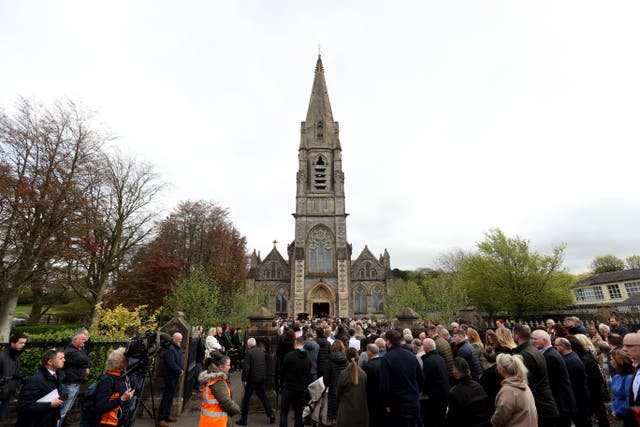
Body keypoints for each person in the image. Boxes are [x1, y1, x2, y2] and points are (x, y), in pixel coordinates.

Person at [512, 324, 558, 426]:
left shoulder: (525, 355)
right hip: (545, 402)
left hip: (541, 404)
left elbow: (523, 380)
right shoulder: (534, 350)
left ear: (516, 336)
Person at [531, 330, 576, 427]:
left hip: (560, 402)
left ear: (544, 340)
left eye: (535, 339)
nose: (533, 341)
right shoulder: (549, 353)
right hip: (559, 401)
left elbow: (551, 381)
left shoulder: (551, 356)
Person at [379, 329, 423, 426]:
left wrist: (386, 403)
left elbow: (384, 384)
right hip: (413, 401)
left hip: (398, 404)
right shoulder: (411, 355)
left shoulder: (387, 358)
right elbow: (421, 378)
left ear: (388, 342)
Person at [16, 348, 65, 427]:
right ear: (50, 362)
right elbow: (24, 406)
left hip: (51, 419)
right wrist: (50, 404)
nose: (64, 360)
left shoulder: (58, 375)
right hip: (37, 422)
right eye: (61, 358)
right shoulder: (35, 381)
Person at [491, 353, 537, 427]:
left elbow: (502, 415)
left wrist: (493, 421)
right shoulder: (523, 383)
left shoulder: (508, 390)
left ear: (501, 370)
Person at [236, 338, 275, 425]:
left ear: (249, 345)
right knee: (263, 397)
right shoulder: (261, 352)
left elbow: (246, 368)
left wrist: (244, 379)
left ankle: (243, 420)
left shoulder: (249, 353)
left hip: (252, 379)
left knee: (246, 399)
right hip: (261, 378)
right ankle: (271, 414)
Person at [93, 347, 135, 427]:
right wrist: (122, 399)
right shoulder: (108, 380)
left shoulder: (121, 377)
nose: (129, 362)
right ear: (121, 363)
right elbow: (100, 406)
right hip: (107, 423)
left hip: (118, 421)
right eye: (127, 360)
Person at [198, 351, 240, 427]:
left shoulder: (212, 376)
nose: (230, 367)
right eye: (228, 365)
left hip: (210, 421)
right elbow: (226, 403)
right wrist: (238, 409)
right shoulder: (218, 381)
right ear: (220, 366)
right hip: (217, 422)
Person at [555, 338, 590, 427]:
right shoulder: (571, 356)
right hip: (578, 396)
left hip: (578, 397)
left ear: (563, 346)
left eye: (556, 346)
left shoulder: (571, 361)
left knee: (582, 422)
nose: (555, 348)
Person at [446, 357, 491, 427]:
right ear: (469, 371)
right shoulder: (479, 386)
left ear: (455, 374)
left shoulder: (454, 393)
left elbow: (450, 420)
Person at [59, 329, 90, 426]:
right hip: (69, 385)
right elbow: (85, 359)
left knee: (66, 409)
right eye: (82, 339)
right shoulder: (71, 351)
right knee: (63, 410)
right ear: (75, 339)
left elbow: (86, 361)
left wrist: (87, 366)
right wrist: (87, 364)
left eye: (85, 340)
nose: (84, 342)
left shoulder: (81, 349)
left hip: (75, 384)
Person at [279, 336, 311, 427]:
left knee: (284, 412)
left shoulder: (289, 356)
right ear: (303, 345)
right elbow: (308, 373)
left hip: (289, 387)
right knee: (298, 413)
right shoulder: (308, 359)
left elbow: (283, 371)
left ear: (295, 344)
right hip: (301, 388)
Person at [420, 338, 449, 427]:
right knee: (441, 418)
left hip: (435, 395)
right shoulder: (440, 358)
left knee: (432, 419)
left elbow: (425, 379)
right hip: (444, 392)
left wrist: (423, 391)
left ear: (426, 348)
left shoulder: (428, 361)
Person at [336, 348, 368, 427]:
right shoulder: (363, 374)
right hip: (361, 410)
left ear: (346, 358)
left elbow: (338, 393)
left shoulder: (343, 374)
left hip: (346, 410)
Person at [158, 332, 184, 427]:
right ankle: (161, 418)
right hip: (170, 376)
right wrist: (179, 370)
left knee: (170, 397)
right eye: (179, 339)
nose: (181, 341)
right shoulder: (170, 349)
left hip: (174, 376)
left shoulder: (176, 348)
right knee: (166, 397)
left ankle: (167, 415)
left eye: (181, 339)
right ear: (174, 339)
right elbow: (170, 363)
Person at [0, 332, 27, 421]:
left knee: (2, 415)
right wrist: (12, 376)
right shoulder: (2, 356)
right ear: (13, 342)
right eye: (21, 343)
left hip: (10, 390)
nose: (23, 345)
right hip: (2, 390)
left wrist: (19, 377)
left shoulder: (17, 356)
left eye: (24, 343)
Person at [609, 349, 634, 426]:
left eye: (612, 359)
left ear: (618, 361)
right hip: (620, 414)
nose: (610, 362)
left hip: (629, 415)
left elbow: (629, 399)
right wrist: (613, 409)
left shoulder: (629, 378)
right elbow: (615, 397)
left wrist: (618, 412)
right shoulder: (616, 376)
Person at [363, 344, 385, 427]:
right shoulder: (384, 362)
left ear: (369, 353)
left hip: (372, 398)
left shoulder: (368, 366)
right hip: (383, 397)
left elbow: (366, 383)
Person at [326, 340, 348, 424]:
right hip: (343, 386)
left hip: (333, 386)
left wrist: (327, 384)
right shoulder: (346, 359)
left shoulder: (329, 359)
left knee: (333, 407)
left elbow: (326, 375)